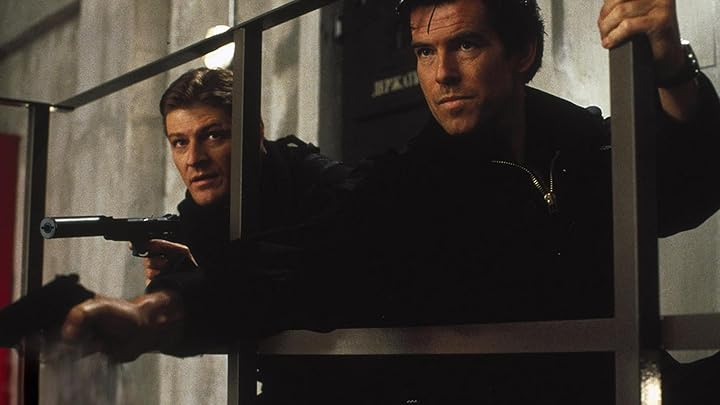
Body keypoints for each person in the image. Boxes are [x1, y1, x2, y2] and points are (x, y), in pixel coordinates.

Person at [61, 0, 720, 403]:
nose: (442, 74)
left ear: (521, 52)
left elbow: (688, 190)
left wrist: (671, 66)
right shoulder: (410, 187)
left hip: (627, 381)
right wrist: (156, 310)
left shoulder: (585, 142)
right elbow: (300, 261)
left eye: (465, 44)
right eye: (425, 51)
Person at [141, 67, 351, 283]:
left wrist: (202, 278)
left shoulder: (320, 184)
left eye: (213, 136)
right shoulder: (192, 222)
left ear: (255, 133)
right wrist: (173, 282)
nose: (194, 159)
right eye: (180, 142)